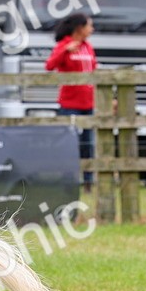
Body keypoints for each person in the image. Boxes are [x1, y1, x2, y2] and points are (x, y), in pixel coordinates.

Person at [45, 13, 97, 189]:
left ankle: (88, 181)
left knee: (88, 144)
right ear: (79, 28)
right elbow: (50, 65)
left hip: (88, 103)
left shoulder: (88, 47)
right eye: (89, 26)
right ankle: (69, 179)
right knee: (69, 144)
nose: (92, 29)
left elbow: (94, 72)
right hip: (69, 104)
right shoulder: (64, 45)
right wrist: (65, 51)